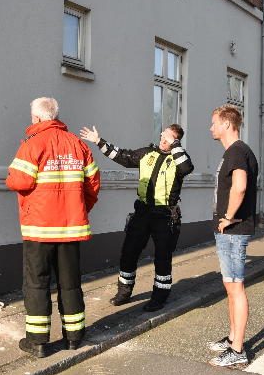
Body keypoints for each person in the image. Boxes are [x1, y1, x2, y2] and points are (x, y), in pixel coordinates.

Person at [6, 97, 101, 358]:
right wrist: (77, 210)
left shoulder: (31, 144)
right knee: (70, 283)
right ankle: (74, 337)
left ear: (36, 118)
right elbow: (92, 186)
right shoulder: (78, 145)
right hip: (70, 228)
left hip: (40, 228)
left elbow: (18, 181)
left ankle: (38, 342)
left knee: (37, 284)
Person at [80, 124, 193, 311]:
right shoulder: (147, 153)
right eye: (162, 136)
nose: (163, 140)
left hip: (165, 215)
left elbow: (187, 168)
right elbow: (123, 156)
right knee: (129, 252)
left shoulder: (179, 159)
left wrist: (174, 145)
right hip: (142, 212)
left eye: (169, 138)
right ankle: (124, 292)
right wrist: (99, 142)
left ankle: (159, 297)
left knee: (163, 258)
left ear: (176, 141)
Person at [206, 105, 258, 368]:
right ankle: (232, 338)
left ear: (227, 124)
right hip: (231, 230)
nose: (211, 127)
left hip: (233, 231)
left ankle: (238, 350)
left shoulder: (237, 151)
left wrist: (227, 216)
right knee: (230, 287)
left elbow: (239, 187)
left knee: (235, 288)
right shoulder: (238, 151)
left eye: (214, 123)